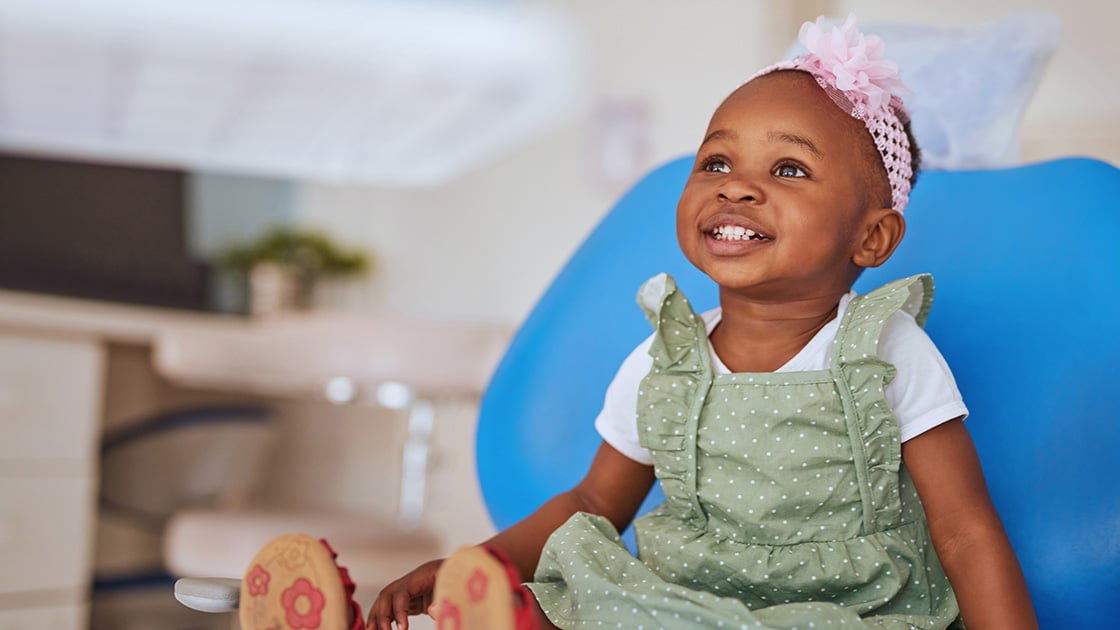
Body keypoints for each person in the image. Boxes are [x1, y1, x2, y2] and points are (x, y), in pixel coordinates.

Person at [236, 14, 1037, 630]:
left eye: (787, 169)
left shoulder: (886, 351)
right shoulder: (667, 359)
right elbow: (592, 503)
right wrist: (478, 562)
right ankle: (443, 613)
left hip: (837, 608)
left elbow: (963, 528)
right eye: (716, 162)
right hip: (681, 599)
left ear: (873, 238)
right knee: (575, 597)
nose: (737, 187)